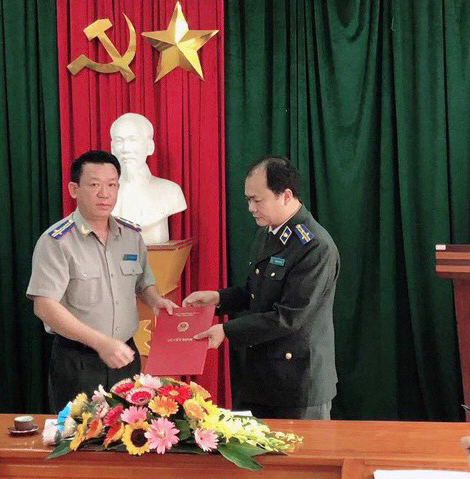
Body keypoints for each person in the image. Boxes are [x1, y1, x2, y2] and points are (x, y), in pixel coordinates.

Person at [183, 156, 339, 419]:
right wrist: (217, 299)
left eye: (257, 200)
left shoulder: (315, 246)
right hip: (261, 377)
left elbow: (289, 317)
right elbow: (256, 293)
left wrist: (227, 330)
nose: (250, 208)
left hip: (297, 383)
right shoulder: (269, 231)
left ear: (285, 196)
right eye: (248, 200)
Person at [27, 150, 177, 412]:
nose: (104, 194)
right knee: (79, 433)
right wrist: (101, 343)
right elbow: (44, 306)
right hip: (79, 361)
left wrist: (155, 301)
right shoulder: (57, 241)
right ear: (74, 189)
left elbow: (143, 283)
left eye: (112, 185)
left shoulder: (131, 235)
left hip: (125, 356)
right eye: (94, 185)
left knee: (130, 430)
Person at [110, 113, 187, 244]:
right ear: (112, 148)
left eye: (133, 140)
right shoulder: (103, 194)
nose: (125, 149)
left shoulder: (171, 191)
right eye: (119, 141)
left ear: (150, 147)